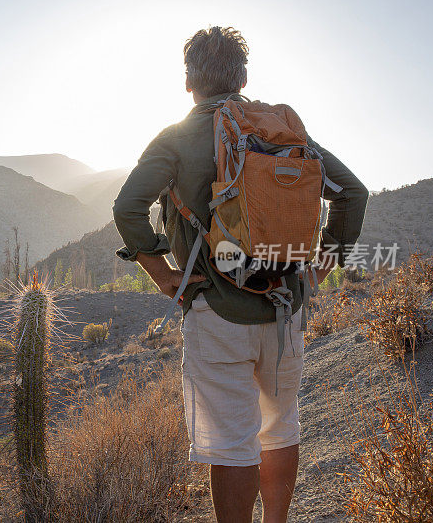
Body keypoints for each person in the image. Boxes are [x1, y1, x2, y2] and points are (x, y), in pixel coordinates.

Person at [112, 26, 368, 523]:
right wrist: (320, 268)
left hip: (215, 311)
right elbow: (351, 194)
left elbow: (127, 209)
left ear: (189, 82)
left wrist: (163, 274)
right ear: (243, 76)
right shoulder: (281, 131)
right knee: (280, 428)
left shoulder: (177, 138)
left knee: (230, 444)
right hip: (284, 310)